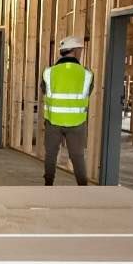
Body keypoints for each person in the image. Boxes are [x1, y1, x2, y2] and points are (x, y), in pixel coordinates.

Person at [41, 35, 94, 187]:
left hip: (53, 120)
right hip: (77, 123)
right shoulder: (87, 74)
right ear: (76, 51)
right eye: (80, 50)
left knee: (51, 154)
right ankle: (83, 187)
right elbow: (87, 93)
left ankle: (48, 185)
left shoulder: (49, 72)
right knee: (77, 156)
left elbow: (44, 90)